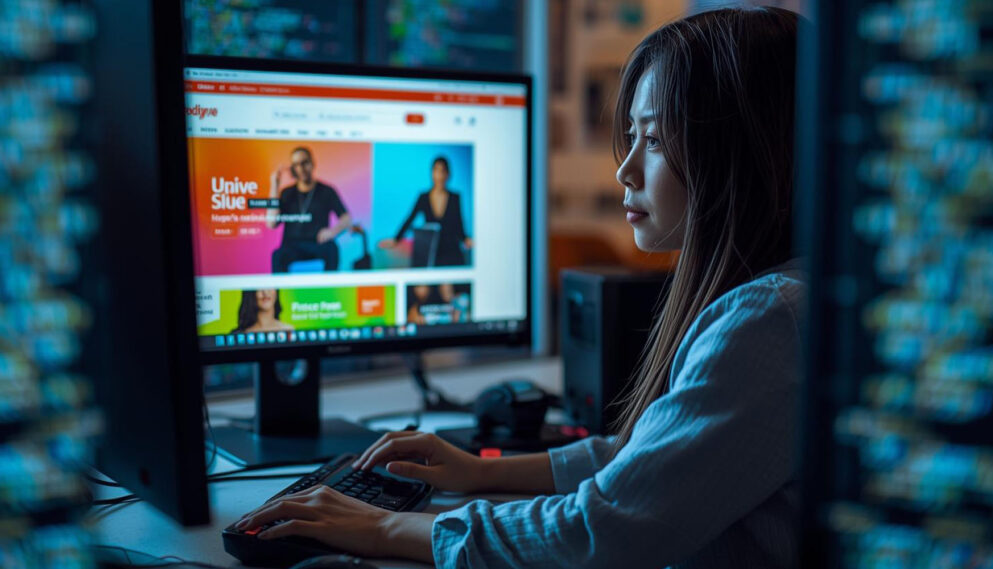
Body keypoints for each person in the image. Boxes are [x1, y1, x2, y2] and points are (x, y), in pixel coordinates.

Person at [235, 7, 804, 568]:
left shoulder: (765, 320)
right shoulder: (782, 300)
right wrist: (481, 470)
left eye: (652, 140)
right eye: (629, 137)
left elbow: (599, 534)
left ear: (742, 153)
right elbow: (649, 461)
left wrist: (385, 525)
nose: (624, 169)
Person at [267, 147, 355, 273]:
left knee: (332, 248)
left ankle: (328, 290)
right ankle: (280, 292)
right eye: (296, 165)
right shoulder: (287, 193)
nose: (301, 168)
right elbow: (271, 223)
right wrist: (274, 186)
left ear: (312, 163)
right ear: (293, 168)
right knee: (278, 255)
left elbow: (347, 218)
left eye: (304, 163)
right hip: (292, 245)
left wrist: (332, 231)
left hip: (318, 243)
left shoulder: (326, 190)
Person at [378, 157, 472, 267]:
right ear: (432, 173)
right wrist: (396, 239)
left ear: (448, 174)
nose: (439, 176)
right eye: (436, 170)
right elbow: (410, 219)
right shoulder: (423, 197)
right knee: (422, 283)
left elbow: (459, 224)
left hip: (450, 251)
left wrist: (466, 239)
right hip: (429, 250)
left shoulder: (455, 197)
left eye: (442, 171)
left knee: (447, 283)